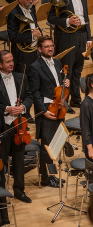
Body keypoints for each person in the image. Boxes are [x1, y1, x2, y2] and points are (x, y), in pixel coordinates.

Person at [27, 36, 70, 188]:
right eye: (46, 46)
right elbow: (35, 93)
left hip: (59, 109)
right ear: (40, 49)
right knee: (47, 148)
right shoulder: (35, 67)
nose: (50, 48)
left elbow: (58, 85)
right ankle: (47, 178)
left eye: (51, 45)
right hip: (47, 111)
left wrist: (65, 83)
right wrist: (43, 111)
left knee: (56, 144)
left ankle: (53, 175)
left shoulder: (57, 62)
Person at [47, 0, 92, 109]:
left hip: (82, 36)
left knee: (78, 69)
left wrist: (89, 37)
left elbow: (86, 17)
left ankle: (76, 100)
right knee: (67, 71)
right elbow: (51, 18)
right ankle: (63, 102)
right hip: (67, 38)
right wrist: (67, 21)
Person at [0, 50, 33, 206]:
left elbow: (29, 96)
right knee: (2, 162)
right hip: (3, 127)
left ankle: (19, 190)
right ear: (0, 64)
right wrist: (6, 108)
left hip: (19, 126)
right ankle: (1, 193)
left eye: (12, 60)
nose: (11, 63)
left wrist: (24, 107)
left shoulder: (21, 77)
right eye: (8, 62)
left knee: (19, 160)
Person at [7, 0, 41, 73]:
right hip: (22, 55)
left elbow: (35, 25)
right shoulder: (13, 14)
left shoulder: (31, 9)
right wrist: (32, 35)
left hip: (34, 51)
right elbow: (12, 37)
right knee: (24, 79)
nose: (31, 1)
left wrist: (40, 34)